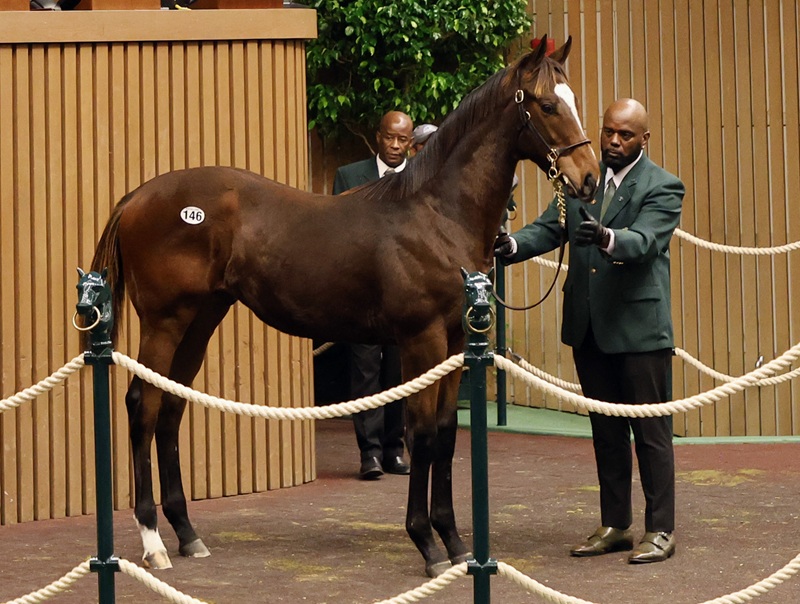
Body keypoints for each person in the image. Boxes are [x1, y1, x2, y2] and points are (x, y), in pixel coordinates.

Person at [495, 98, 684, 564]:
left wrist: (606, 238)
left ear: (645, 139)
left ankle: (660, 529)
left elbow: (646, 242)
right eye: (608, 133)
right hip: (589, 328)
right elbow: (548, 228)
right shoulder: (582, 177)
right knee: (606, 433)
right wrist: (512, 244)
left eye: (625, 135)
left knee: (651, 435)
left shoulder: (663, 185)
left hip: (639, 331)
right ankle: (616, 524)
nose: (614, 142)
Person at [333, 110, 414, 480]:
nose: (395, 146)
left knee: (398, 372)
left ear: (410, 142)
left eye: (403, 140)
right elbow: (338, 233)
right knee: (365, 372)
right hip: (363, 294)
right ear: (378, 137)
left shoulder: (420, 177)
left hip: (407, 293)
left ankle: (396, 450)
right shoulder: (349, 176)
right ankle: (370, 454)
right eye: (390, 138)